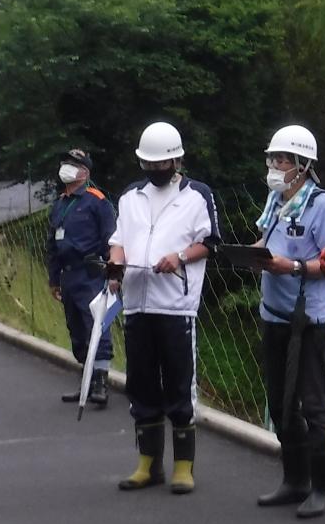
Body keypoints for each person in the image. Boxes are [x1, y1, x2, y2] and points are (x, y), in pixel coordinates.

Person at [108, 121, 219, 495]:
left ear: (177, 161)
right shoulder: (130, 196)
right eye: (148, 164)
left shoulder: (197, 195)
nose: (155, 170)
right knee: (140, 383)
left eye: (161, 164)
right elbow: (119, 240)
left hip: (176, 306)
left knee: (178, 383)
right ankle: (148, 464)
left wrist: (180, 257)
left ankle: (184, 466)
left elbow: (210, 243)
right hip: (136, 303)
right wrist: (115, 266)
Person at [253, 124, 325, 519]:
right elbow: (266, 242)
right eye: (273, 158)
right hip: (274, 314)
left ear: (304, 165)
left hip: (308, 320)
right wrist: (253, 255)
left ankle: (322, 489)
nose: (275, 165)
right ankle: (295, 480)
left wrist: (289, 266)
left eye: (283, 159)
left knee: (312, 403)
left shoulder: (322, 206)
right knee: (280, 402)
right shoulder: (275, 199)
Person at [47, 148, 118, 411]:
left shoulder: (97, 201)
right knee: (76, 329)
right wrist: (53, 279)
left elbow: (112, 239)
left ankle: (100, 382)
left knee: (96, 325)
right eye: (64, 162)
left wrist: (113, 272)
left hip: (91, 272)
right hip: (68, 275)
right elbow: (52, 245)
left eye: (72, 164)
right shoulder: (59, 204)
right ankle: (86, 380)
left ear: (84, 172)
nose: (65, 167)